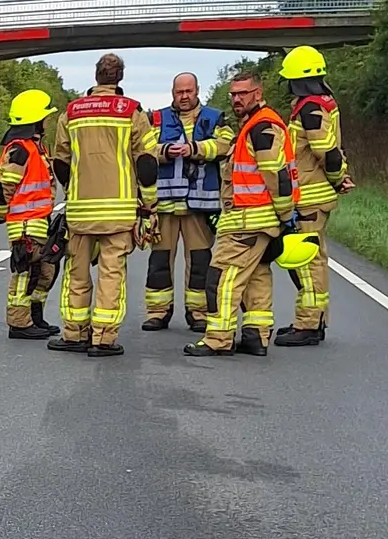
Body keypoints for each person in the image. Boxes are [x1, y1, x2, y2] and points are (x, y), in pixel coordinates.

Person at [46, 53, 160, 358]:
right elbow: (147, 163)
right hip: (119, 212)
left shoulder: (71, 113)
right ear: (119, 78)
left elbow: (61, 162)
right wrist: (148, 204)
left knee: (77, 273)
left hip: (81, 210)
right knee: (112, 274)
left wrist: (72, 190)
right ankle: (103, 339)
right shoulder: (132, 112)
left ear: (96, 76)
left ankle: (73, 335)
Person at [184, 69, 300, 357]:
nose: (236, 99)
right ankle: (255, 337)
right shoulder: (253, 125)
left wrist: (286, 217)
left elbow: (277, 175)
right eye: (233, 94)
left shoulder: (262, 127)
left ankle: (218, 339)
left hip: (248, 220)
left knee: (222, 278)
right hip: (251, 219)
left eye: (242, 94)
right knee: (257, 276)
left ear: (258, 94)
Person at [274, 45, 355, 347]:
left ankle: (308, 324)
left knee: (307, 262)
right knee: (315, 260)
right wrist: (339, 177)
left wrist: (338, 178)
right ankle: (314, 320)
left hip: (309, 196)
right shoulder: (321, 103)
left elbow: (325, 151)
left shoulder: (309, 108)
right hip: (314, 193)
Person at [144, 73, 233, 333]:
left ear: (197, 91)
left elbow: (227, 145)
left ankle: (199, 313)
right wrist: (164, 152)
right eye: (179, 91)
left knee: (200, 261)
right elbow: (142, 149)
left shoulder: (215, 117)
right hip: (165, 204)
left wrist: (195, 149)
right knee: (159, 262)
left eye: (189, 91)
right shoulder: (157, 119)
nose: (184, 96)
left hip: (200, 204)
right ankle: (158, 312)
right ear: (172, 92)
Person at [0, 89, 63, 339]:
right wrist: (2, 215)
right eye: (45, 117)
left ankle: (35, 317)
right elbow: (3, 190)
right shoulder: (20, 149)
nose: (47, 121)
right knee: (25, 273)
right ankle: (19, 324)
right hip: (25, 225)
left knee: (45, 272)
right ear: (35, 120)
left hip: (39, 221)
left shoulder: (35, 148)